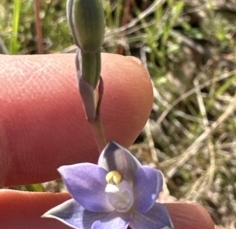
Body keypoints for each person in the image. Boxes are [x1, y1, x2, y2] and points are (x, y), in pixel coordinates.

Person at [0, 53, 214, 229]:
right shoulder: (101, 209)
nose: (115, 186)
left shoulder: (151, 193)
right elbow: (75, 189)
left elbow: (154, 198)